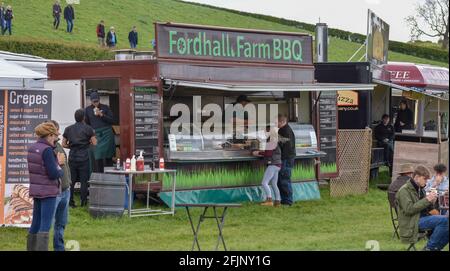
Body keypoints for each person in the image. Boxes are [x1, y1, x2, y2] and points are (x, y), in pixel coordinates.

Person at [27, 122, 65, 251]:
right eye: (55, 136)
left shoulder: (32, 148)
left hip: (36, 190)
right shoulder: (48, 150)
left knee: (35, 223)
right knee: (45, 226)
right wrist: (60, 165)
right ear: (49, 135)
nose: (56, 139)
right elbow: (54, 173)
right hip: (48, 192)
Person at [396, 165, 449, 251]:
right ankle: (429, 248)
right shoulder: (404, 190)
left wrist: (431, 201)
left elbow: (426, 207)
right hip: (412, 221)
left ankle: (436, 248)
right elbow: (409, 210)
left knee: (447, 219)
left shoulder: (420, 188)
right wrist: (427, 199)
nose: (427, 181)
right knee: (444, 221)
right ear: (417, 177)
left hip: (422, 217)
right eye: (425, 179)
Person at [63, 109, 97, 207]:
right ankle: (83, 202)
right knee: (83, 181)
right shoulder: (88, 129)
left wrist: (72, 146)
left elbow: (64, 144)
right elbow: (94, 143)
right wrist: (87, 143)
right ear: (84, 118)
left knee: (71, 181)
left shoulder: (68, 129)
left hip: (72, 157)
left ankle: (70, 202)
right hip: (84, 157)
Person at [47, 120, 71, 251]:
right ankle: (41, 247)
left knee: (61, 223)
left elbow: (65, 166)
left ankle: (59, 248)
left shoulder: (58, 145)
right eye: (56, 132)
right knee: (47, 224)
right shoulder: (46, 149)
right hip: (54, 191)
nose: (59, 134)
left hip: (65, 190)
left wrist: (69, 181)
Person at [84, 92, 115, 173]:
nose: (95, 103)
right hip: (96, 134)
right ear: (90, 101)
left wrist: (102, 115)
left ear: (99, 100)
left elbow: (112, 120)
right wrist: (91, 132)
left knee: (109, 155)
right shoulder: (87, 110)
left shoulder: (105, 108)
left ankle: (110, 175)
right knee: (98, 156)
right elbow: (86, 123)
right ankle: (99, 175)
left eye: (97, 101)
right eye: (94, 101)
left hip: (107, 134)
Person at [253, 126, 282, 207]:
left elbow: (268, 154)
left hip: (272, 164)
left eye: (265, 131)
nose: (264, 133)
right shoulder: (275, 140)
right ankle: (277, 201)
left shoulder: (271, 141)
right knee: (274, 184)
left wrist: (258, 153)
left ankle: (269, 200)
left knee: (264, 182)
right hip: (278, 164)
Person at [277, 114, 295, 206]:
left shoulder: (285, 131)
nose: (275, 124)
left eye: (277, 122)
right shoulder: (284, 129)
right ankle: (284, 200)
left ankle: (288, 201)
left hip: (286, 158)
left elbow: (284, 145)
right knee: (281, 179)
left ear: (282, 122)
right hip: (287, 158)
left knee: (284, 179)